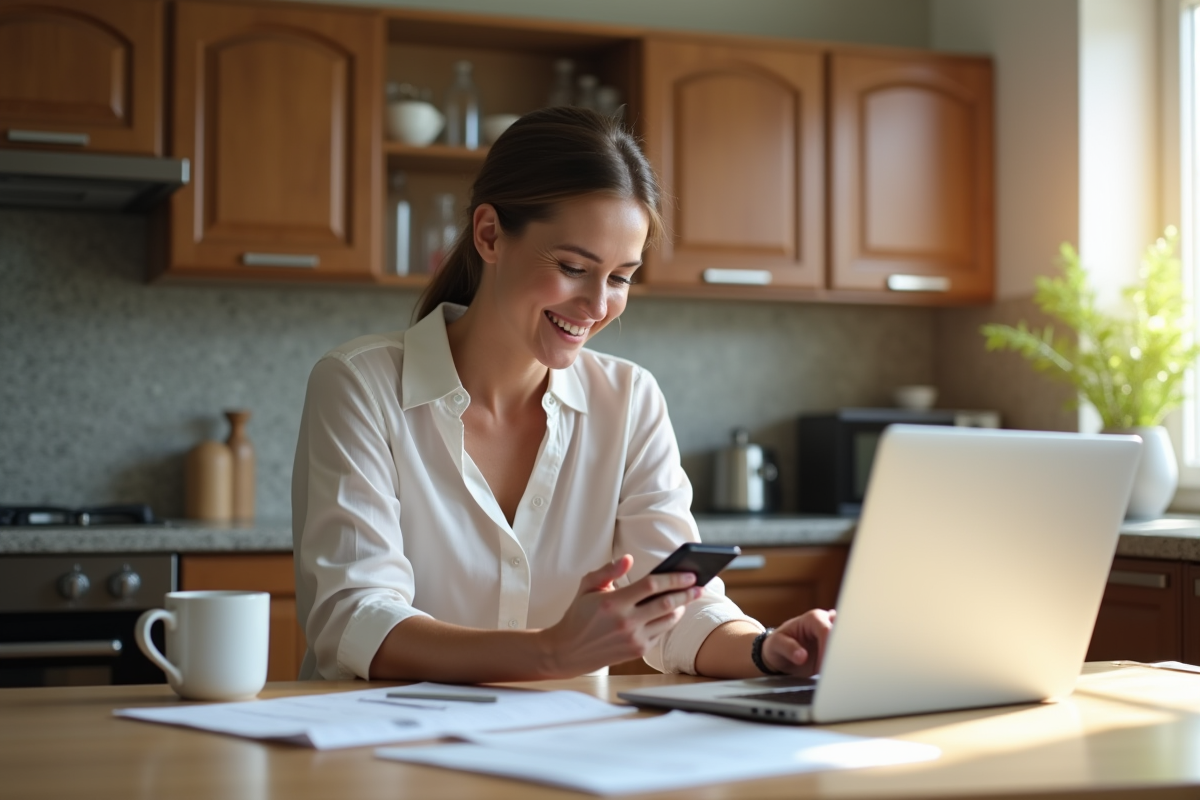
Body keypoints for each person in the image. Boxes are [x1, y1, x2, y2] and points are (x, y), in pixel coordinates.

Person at [292, 106, 834, 683]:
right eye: (574, 267)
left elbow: (677, 607)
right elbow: (355, 617)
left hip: (558, 737)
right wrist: (550, 652)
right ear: (489, 234)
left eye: (620, 278)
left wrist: (766, 649)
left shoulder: (629, 400)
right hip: (381, 735)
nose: (598, 306)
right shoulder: (360, 384)